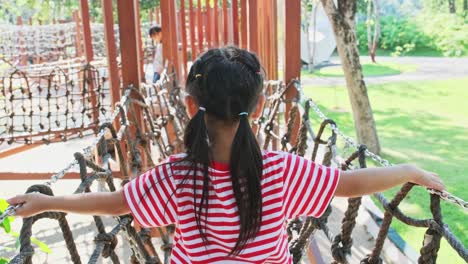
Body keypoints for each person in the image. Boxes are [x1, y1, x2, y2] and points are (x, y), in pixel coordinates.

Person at [7, 47, 445, 263]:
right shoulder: (281, 170)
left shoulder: (175, 175)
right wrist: (407, 169)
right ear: (257, 108)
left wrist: (49, 201)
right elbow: (348, 185)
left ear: (192, 106)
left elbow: (117, 202)